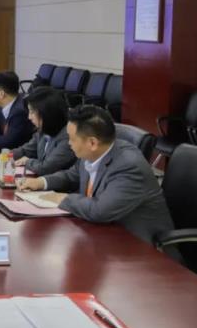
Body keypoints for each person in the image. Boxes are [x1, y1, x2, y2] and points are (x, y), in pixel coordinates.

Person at [18, 105, 176, 247]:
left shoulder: (129, 166)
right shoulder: (93, 152)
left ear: (92, 143)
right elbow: (71, 176)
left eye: (72, 139)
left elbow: (100, 210)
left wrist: (63, 198)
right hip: (103, 235)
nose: (68, 143)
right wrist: (41, 182)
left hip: (141, 249)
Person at [9, 87, 75, 174]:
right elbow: (25, 150)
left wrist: (27, 161)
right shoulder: (43, 130)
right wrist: (4, 155)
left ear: (46, 113)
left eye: (32, 112)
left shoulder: (68, 137)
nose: (29, 117)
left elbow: (46, 168)